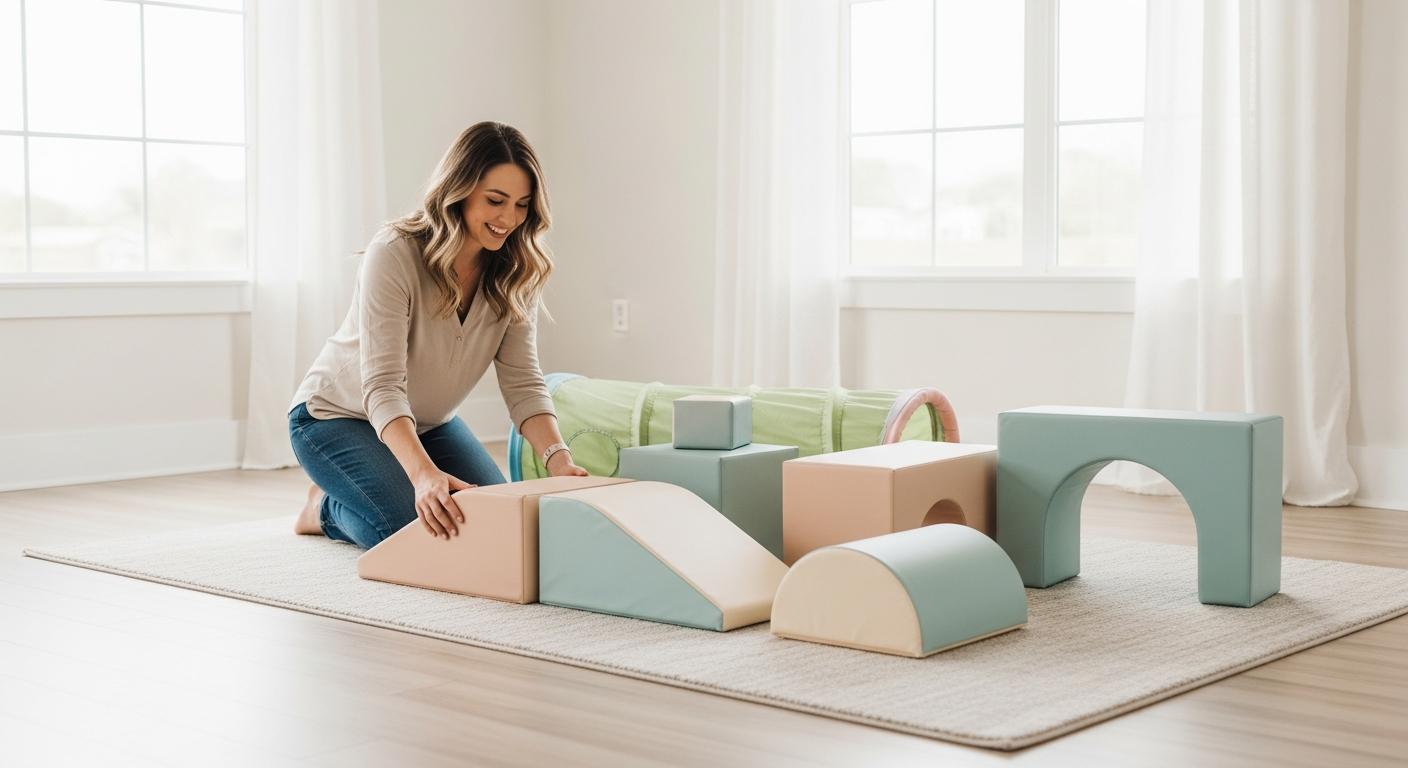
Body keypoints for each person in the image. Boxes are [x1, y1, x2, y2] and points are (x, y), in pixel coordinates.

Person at [287, 121, 586, 549]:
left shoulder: (515, 270)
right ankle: (324, 509)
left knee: (494, 523)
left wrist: (561, 461)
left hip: (428, 423)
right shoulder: (394, 252)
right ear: (459, 191)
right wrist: (424, 477)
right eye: (496, 201)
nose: (509, 219)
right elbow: (383, 387)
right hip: (336, 418)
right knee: (416, 533)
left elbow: (523, 382)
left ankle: (370, 488)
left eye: (521, 205)